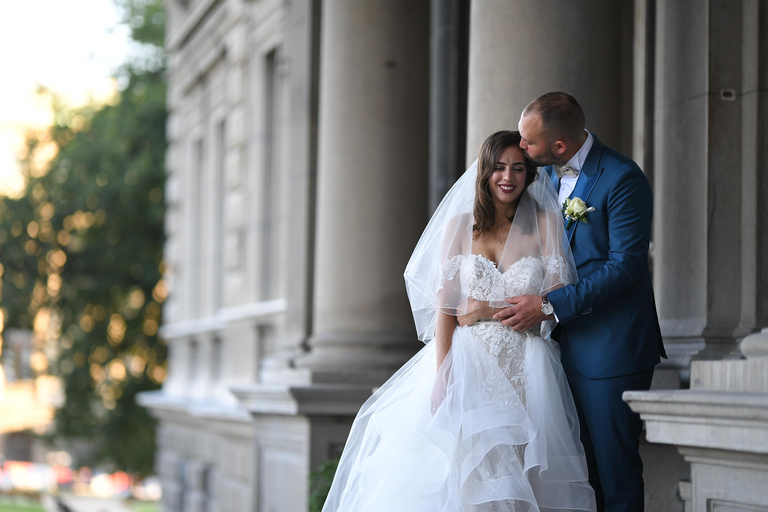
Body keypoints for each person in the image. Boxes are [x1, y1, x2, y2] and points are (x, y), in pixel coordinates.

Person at [322, 130, 596, 512]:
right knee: (468, 470)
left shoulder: (547, 224)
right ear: (484, 172)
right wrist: (443, 374)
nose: (508, 176)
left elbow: (550, 306)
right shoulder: (460, 227)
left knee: (522, 468)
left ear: (529, 175)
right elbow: (447, 308)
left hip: (528, 365)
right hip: (469, 363)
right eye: (499, 167)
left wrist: (484, 309)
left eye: (519, 168)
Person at [495, 92, 666, 512]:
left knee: (615, 474)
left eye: (529, 144)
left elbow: (625, 267)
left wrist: (549, 305)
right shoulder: (546, 178)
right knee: (577, 475)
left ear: (559, 146)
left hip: (611, 351)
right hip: (555, 352)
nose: (522, 148)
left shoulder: (622, 178)